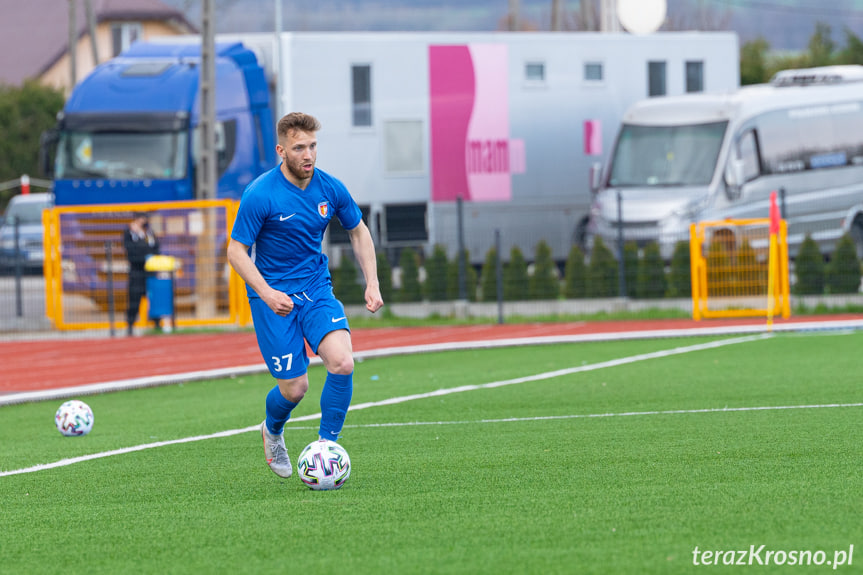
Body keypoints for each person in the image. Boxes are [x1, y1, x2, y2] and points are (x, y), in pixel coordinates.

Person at [227, 112, 384, 478]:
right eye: (299, 148)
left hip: (316, 290)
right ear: (282, 150)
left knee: (343, 362)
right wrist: (266, 293)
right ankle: (272, 429)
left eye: (313, 146)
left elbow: (358, 231)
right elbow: (236, 251)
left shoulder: (330, 188)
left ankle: (327, 447)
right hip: (274, 301)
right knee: (295, 388)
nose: (308, 155)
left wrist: (372, 282)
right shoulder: (260, 194)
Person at [123, 211, 160, 336]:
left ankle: (157, 323)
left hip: (150, 271)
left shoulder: (149, 233)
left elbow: (155, 249)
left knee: (154, 298)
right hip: (136, 272)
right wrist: (138, 235)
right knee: (134, 299)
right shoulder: (129, 234)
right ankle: (130, 324)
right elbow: (132, 251)